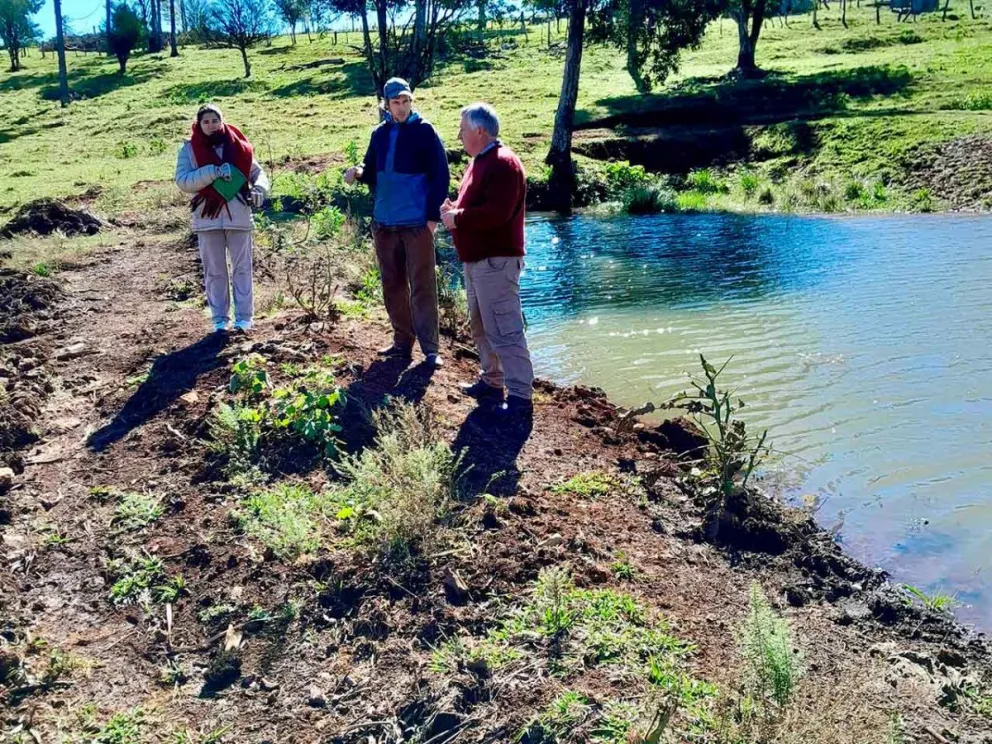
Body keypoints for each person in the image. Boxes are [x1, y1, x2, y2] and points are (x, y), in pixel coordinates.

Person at [344, 77, 449, 367]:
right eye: (396, 103)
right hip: (384, 223)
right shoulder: (379, 134)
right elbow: (372, 170)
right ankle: (402, 344)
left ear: (411, 101)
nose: (402, 108)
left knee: (423, 286)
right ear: (386, 105)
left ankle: (431, 351)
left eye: (406, 101)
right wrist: (358, 172)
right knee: (392, 285)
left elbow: (441, 176)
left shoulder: (426, 131)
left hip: (417, 224)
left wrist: (432, 218)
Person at [440, 103, 534, 419]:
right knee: (482, 327)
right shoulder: (481, 161)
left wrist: (458, 217)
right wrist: (455, 209)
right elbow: (481, 207)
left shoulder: (503, 163)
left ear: (480, 131)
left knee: (505, 330)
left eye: (462, 129)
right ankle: (492, 382)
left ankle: (520, 398)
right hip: (480, 262)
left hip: (496, 262)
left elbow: (497, 214)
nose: (459, 134)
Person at [175, 104, 269, 334]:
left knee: (242, 268)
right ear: (198, 124)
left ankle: (244, 319)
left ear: (222, 120)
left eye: (215, 120)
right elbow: (184, 181)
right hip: (207, 218)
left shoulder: (240, 148)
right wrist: (213, 172)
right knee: (214, 270)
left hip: (239, 215)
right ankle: (219, 320)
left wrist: (260, 190)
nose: (211, 125)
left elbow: (258, 174)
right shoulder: (189, 150)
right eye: (205, 122)